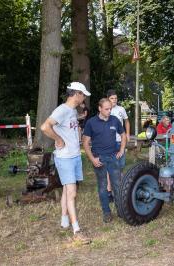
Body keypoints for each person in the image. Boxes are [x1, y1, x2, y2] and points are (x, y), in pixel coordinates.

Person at [40, 81, 91, 244]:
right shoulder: (61, 110)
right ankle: (77, 230)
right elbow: (45, 127)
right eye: (83, 95)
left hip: (74, 156)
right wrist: (58, 139)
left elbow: (71, 124)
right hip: (65, 158)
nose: (84, 98)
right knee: (72, 192)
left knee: (67, 190)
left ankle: (64, 219)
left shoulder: (72, 111)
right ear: (76, 94)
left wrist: (81, 117)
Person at [82, 98, 126, 223]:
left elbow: (123, 135)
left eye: (110, 109)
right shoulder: (91, 122)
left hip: (113, 157)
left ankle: (120, 210)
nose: (109, 111)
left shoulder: (114, 120)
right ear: (99, 108)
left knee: (117, 185)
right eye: (106, 109)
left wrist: (122, 149)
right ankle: (106, 212)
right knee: (102, 186)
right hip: (99, 158)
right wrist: (92, 159)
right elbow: (85, 143)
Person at [106, 90, 130, 201]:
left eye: (115, 98)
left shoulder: (121, 109)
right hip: (109, 143)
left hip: (120, 141)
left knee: (120, 166)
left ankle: (120, 191)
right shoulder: (105, 110)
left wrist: (128, 134)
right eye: (112, 98)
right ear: (108, 99)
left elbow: (126, 121)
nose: (114, 100)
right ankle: (109, 191)